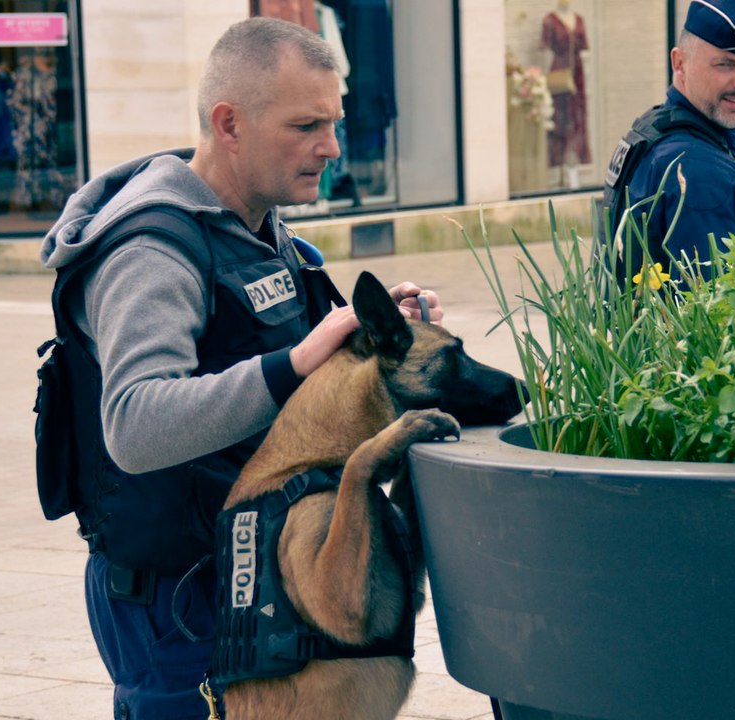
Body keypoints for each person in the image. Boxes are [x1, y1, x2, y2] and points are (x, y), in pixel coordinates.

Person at [38, 17, 441, 720]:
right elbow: (133, 425)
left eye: (335, 122)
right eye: (306, 126)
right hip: (178, 605)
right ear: (229, 123)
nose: (331, 147)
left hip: (254, 581)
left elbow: (304, 381)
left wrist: (384, 339)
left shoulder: (263, 232)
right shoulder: (151, 249)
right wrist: (291, 363)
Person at [600, 0, 735, 286]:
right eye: (725, 64)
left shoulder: (659, 128)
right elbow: (720, 313)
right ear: (680, 64)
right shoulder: (697, 172)